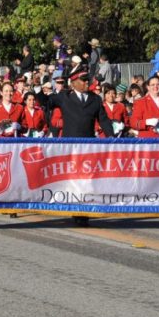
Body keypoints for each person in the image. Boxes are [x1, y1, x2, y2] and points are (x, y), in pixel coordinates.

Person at [45, 70, 114, 227]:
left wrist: (112, 137)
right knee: (72, 180)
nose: (86, 83)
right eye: (83, 80)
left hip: (88, 146)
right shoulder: (64, 97)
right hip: (70, 146)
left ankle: (82, 212)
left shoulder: (95, 99)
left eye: (87, 80)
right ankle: (73, 208)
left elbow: (103, 120)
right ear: (74, 82)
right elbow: (47, 103)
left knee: (85, 180)